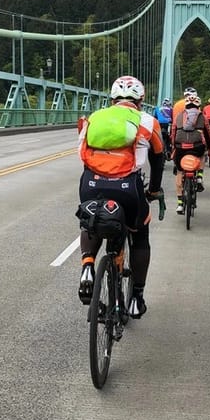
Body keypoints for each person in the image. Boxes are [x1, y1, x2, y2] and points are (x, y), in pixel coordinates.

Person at [77, 75, 165, 318]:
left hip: (91, 184)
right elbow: (158, 161)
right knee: (140, 235)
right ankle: (136, 297)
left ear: (112, 98)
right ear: (141, 99)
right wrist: (154, 190)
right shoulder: (148, 121)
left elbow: (82, 151)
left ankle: (87, 266)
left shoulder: (94, 118)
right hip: (128, 188)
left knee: (91, 220)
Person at [170, 93, 210, 211]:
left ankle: (179, 203)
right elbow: (207, 134)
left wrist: (174, 148)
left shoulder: (178, 116)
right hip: (197, 147)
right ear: (198, 106)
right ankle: (199, 176)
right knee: (202, 155)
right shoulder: (202, 117)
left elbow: (173, 134)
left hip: (180, 148)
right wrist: (209, 148)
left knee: (179, 172)